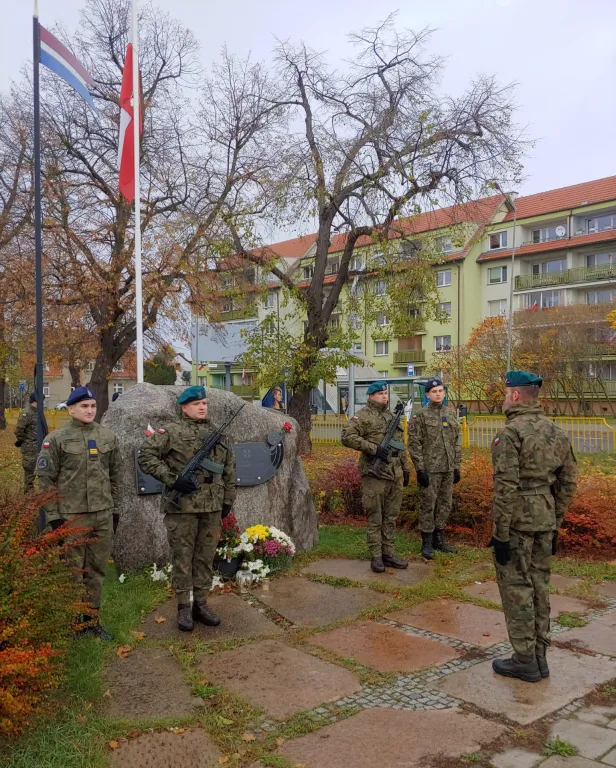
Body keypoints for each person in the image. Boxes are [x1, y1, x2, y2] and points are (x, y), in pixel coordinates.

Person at [490, 370, 577, 683]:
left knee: (517, 589)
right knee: (540, 586)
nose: (503, 399)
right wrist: (556, 522)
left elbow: (505, 487)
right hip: (545, 518)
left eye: (504, 393)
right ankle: (540, 657)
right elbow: (568, 482)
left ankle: (524, 659)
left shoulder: (511, 434)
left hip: (517, 522)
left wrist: (499, 534)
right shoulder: (557, 432)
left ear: (514, 395)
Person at [137, 385, 237, 632]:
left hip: (212, 506)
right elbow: (145, 456)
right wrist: (172, 479)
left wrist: (227, 502)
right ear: (184, 407)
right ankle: (183, 607)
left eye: (204, 403)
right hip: (181, 506)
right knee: (182, 558)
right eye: (196, 404)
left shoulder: (218, 434)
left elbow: (229, 470)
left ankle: (201, 605)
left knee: (205, 558)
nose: (202, 407)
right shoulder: (170, 431)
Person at [35, 386, 122, 640]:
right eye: (84, 406)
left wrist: (115, 510)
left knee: (96, 571)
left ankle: (91, 621)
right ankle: (73, 623)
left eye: (93, 406)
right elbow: (45, 481)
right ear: (71, 409)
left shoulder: (107, 436)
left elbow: (117, 476)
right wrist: (54, 517)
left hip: (102, 514)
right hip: (72, 517)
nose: (90, 410)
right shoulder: (57, 439)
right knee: (73, 572)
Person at [341, 381, 411, 573]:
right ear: (371, 396)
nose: (384, 396)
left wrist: (405, 468)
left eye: (385, 393)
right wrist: (373, 449)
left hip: (394, 474)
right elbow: (346, 436)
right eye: (380, 394)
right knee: (375, 517)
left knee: (391, 517)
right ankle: (376, 556)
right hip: (375, 474)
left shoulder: (391, 415)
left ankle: (389, 553)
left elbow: (399, 444)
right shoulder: (362, 416)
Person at [408, 378, 462, 560]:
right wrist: (420, 469)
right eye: (434, 391)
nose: (438, 393)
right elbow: (415, 444)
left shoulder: (451, 413)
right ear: (427, 395)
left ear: (444, 393)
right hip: (430, 469)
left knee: (445, 504)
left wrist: (456, 466)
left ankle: (440, 539)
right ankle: (427, 542)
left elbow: (456, 442)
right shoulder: (420, 416)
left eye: (440, 390)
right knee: (428, 505)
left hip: (447, 468)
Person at [15, 391, 38, 493]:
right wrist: (24, 441)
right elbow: (19, 430)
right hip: (30, 447)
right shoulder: (27, 413)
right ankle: (29, 495)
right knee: (30, 471)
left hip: (39, 446)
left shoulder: (39, 412)